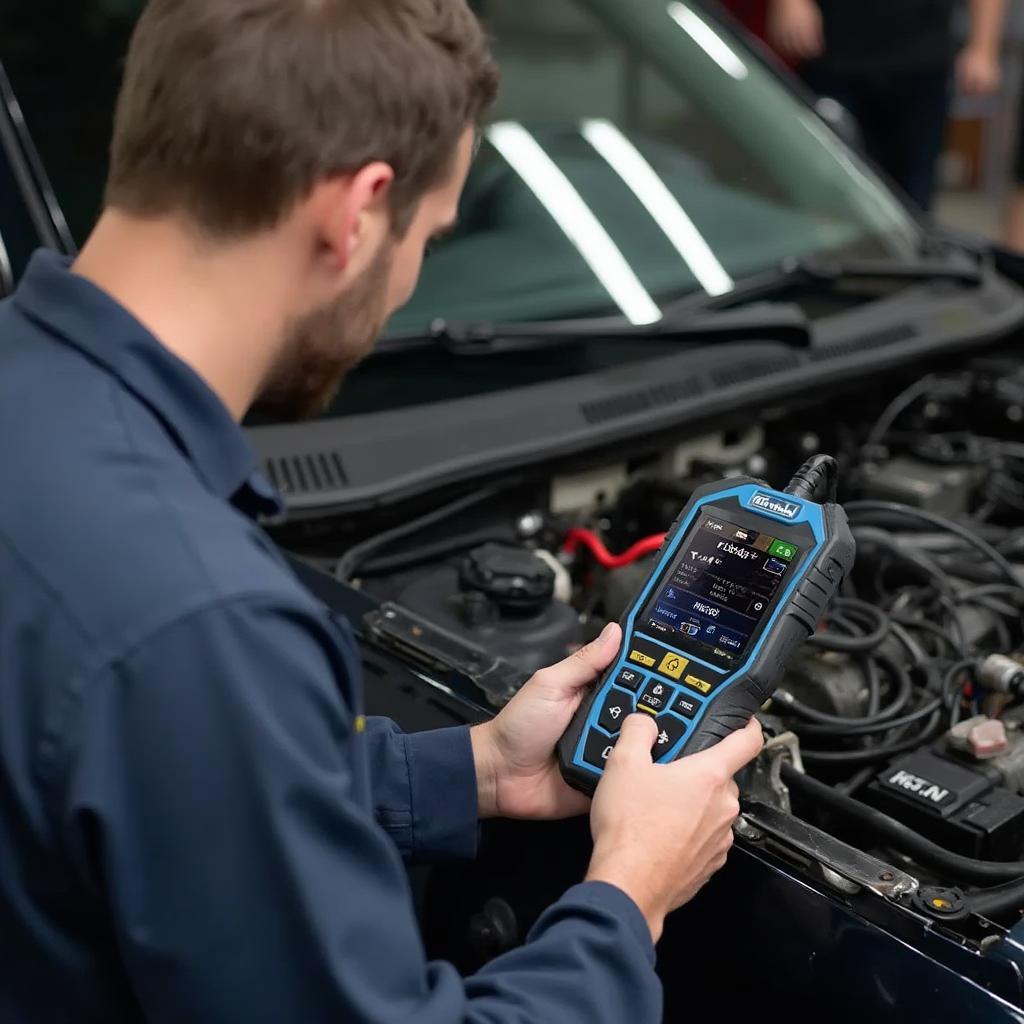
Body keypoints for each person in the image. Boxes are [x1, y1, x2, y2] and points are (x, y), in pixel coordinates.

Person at [0, 2, 764, 1022]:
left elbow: (155, 792)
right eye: (432, 237)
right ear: (357, 211)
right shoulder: (201, 618)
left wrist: (472, 769)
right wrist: (629, 891)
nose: (410, 281)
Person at [764, 0, 1006, 211]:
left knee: (910, 198)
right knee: (819, 188)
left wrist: (984, 47)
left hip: (921, 57)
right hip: (832, 49)